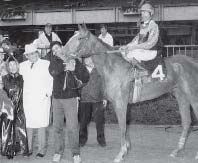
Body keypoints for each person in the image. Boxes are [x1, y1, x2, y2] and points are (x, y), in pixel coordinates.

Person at [49, 41, 89, 163]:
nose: (55, 51)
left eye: (57, 48)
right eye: (53, 50)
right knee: (57, 127)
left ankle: (75, 153)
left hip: (71, 99)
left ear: (62, 48)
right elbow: (53, 72)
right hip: (56, 99)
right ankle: (58, 152)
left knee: (72, 127)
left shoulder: (75, 60)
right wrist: (66, 64)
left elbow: (86, 76)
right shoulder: (54, 62)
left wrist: (75, 68)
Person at [19, 44, 53, 157]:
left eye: (34, 53)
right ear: (26, 56)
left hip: (41, 99)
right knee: (28, 124)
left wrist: (48, 94)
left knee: (41, 124)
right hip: (28, 100)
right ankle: (28, 148)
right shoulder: (22, 66)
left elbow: (51, 80)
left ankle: (41, 150)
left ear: (37, 53)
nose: (32, 56)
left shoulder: (46, 64)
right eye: (29, 54)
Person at [0, 57, 28, 159]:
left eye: (14, 64)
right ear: (7, 67)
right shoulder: (4, 78)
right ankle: (8, 150)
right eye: (10, 65)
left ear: (17, 65)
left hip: (19, 107)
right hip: (7, 108)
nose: (12, 67)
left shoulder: (22, 77)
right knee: (7, 129)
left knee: (20, 128)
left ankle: (22, 149)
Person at [78, 57, 107, 147]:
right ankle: (82, 140)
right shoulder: (81, 70)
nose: (87, 60)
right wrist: (77, 95)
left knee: (99, 122)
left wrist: (105, 97)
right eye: (85, 59)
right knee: (83, 121)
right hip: (84, 99)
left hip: (97, 99)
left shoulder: (99, 69)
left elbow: (104, 84)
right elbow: (77, 83)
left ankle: (101, 140)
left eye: (89, 58)